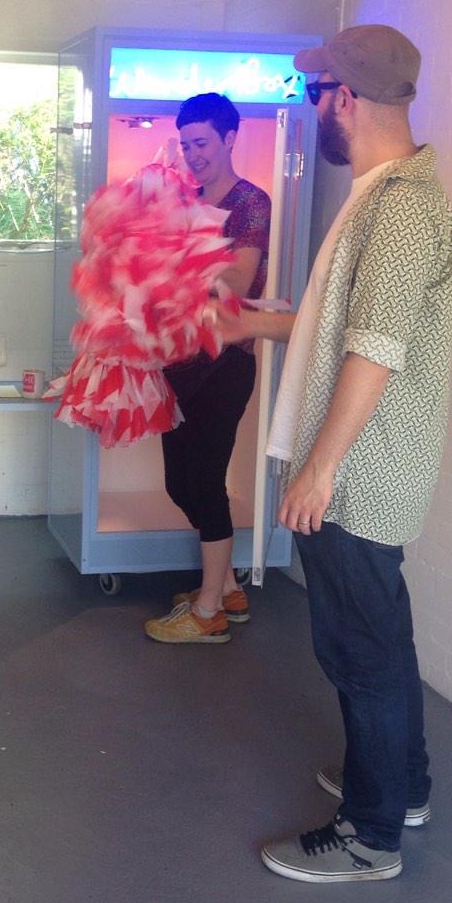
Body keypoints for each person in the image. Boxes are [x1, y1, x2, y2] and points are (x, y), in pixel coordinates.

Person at [210, 25, 452, 881]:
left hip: (356, 476)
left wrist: (317, 469)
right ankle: (402, 785)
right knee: (380, 639)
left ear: (345, 100)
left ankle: (369, 834)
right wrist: (257, 322)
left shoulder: (399, 209)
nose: (312, 106)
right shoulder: (389, 192)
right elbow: (342, 326)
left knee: (362, 653)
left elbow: (376, 349)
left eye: (317, 94)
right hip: (361, 470)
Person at [144, 93, 270, 645]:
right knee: (180, 482)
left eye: (202, 143)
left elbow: (237, 286)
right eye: (186, 144)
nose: (193, 155)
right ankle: (227, 586)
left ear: (229, 139)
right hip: (178, 362)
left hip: (225, 364)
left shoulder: (250, 203)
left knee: (205, 481)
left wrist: (181, 263)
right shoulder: (185, 200)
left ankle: (210, 610)